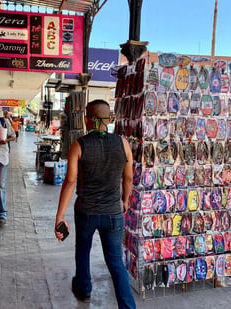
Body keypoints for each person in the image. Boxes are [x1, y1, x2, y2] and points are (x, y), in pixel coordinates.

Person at [54, 99, 136, 308]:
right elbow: (128, 178)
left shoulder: (78, 145)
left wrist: (60, 216)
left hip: (86, 212)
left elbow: (70, 181)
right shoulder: (123, 143)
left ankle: (84, 289)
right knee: (116, 263)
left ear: (86, 120)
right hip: (113, 214)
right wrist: (125, 200)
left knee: (83, 250)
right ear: (109, 120)